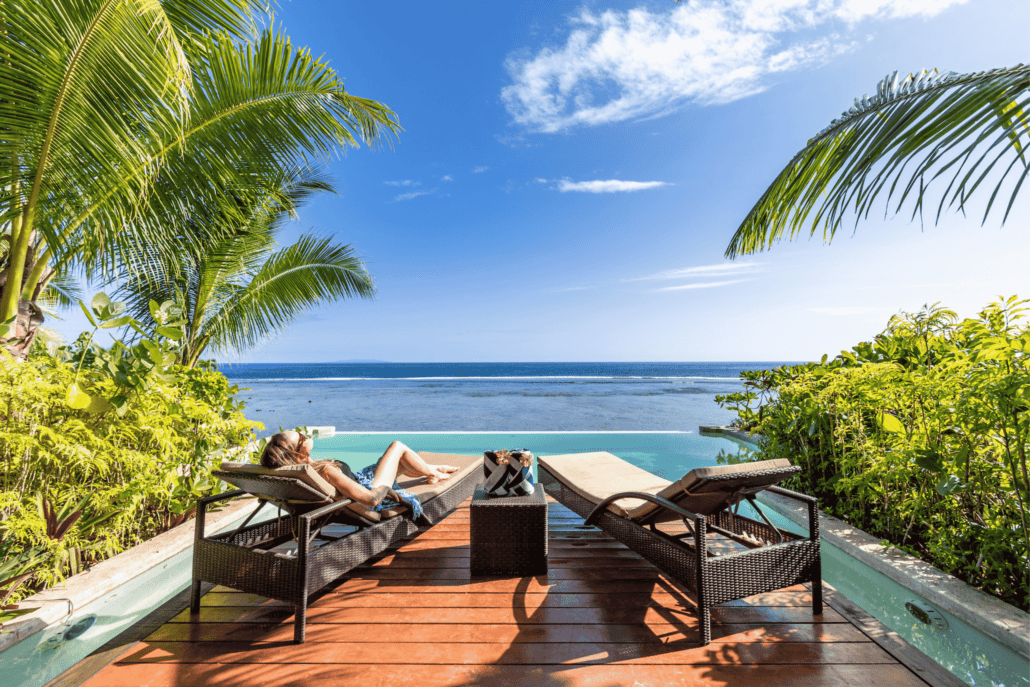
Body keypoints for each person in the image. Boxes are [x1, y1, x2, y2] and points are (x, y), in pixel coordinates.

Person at [260, 431, 459, 521]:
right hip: (370, 492)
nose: (304, 435)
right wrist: (385, 488)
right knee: (397, 446)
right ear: (298, 452)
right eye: (301, 438)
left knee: (400, 459)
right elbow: (371, 500)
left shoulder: (305, 470)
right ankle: (433, 473)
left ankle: (431, 470)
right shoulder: (324, 471)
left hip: (359, 481)